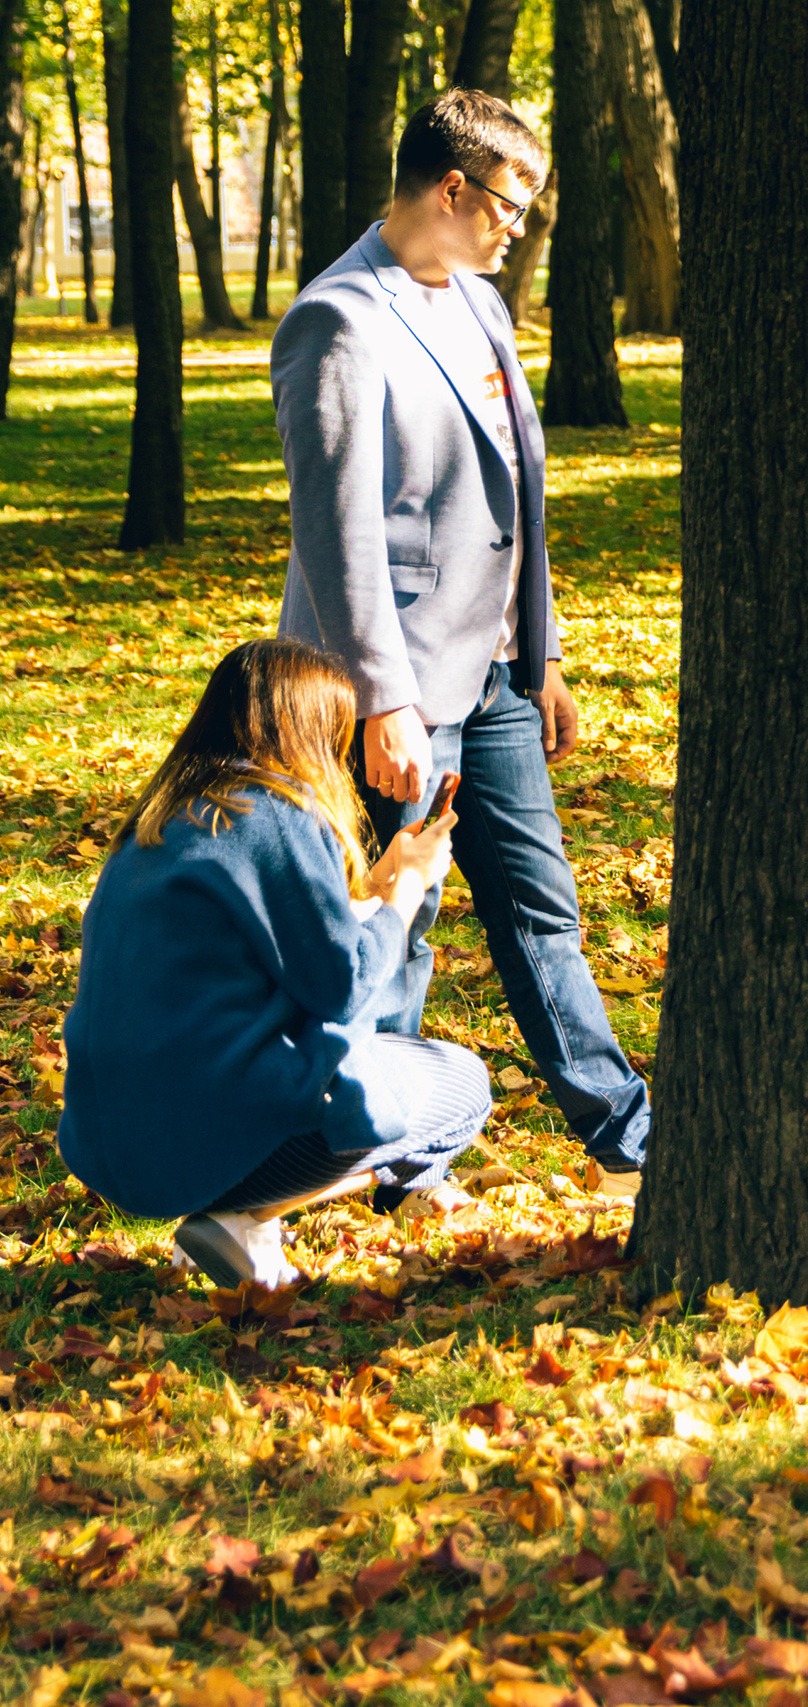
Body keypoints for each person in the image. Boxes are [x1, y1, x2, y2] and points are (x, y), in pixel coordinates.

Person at [271, 89, 647, 1193]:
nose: (518, 227)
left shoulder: (479, 303)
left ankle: (629, 1138)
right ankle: (386, 1149)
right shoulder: (339, 320)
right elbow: (336, 535)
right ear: (451, 189)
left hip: (494, 682)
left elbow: (514, 497)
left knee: (540, 904)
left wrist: (546, 658)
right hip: (392, 684)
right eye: (510, 204)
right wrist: (384, 701)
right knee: (402, 913)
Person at [59, 640, 493, 1288]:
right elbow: (341, 984)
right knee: (464, 1085)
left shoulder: (162, 817)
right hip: (199, 1136)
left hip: (109, 1142)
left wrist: (376, 884)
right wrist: (407, 892)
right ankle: (244, 1213)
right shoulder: (273, 811)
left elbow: (269, 943)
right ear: (309, 730)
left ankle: (229, 1207)